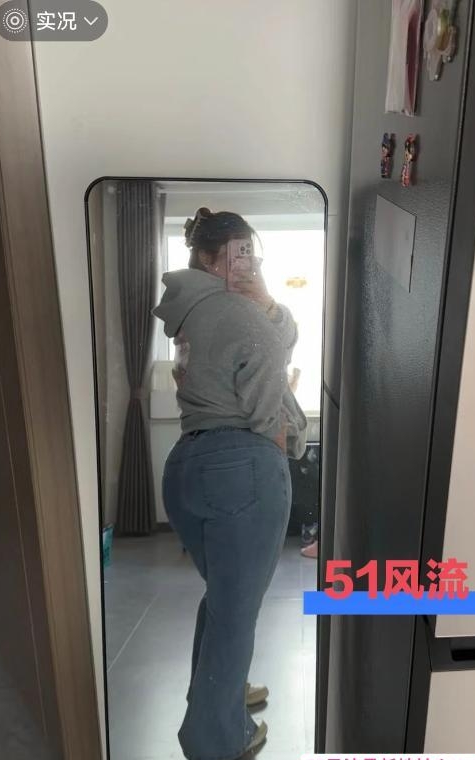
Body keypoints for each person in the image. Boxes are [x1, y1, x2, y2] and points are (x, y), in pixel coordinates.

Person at [153, 207, 307, 760]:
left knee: (223, 602)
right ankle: (215, 738)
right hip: (243, 465)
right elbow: (268, 389)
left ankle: (221, 696)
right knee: (236, 614)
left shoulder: (191, 309)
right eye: (238, 254)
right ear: (207, 258)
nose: (247, 265)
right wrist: (277, 451)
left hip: (189, 462)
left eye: (252, 255)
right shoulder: (238, 313)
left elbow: (274, 337)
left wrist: (265, 302)